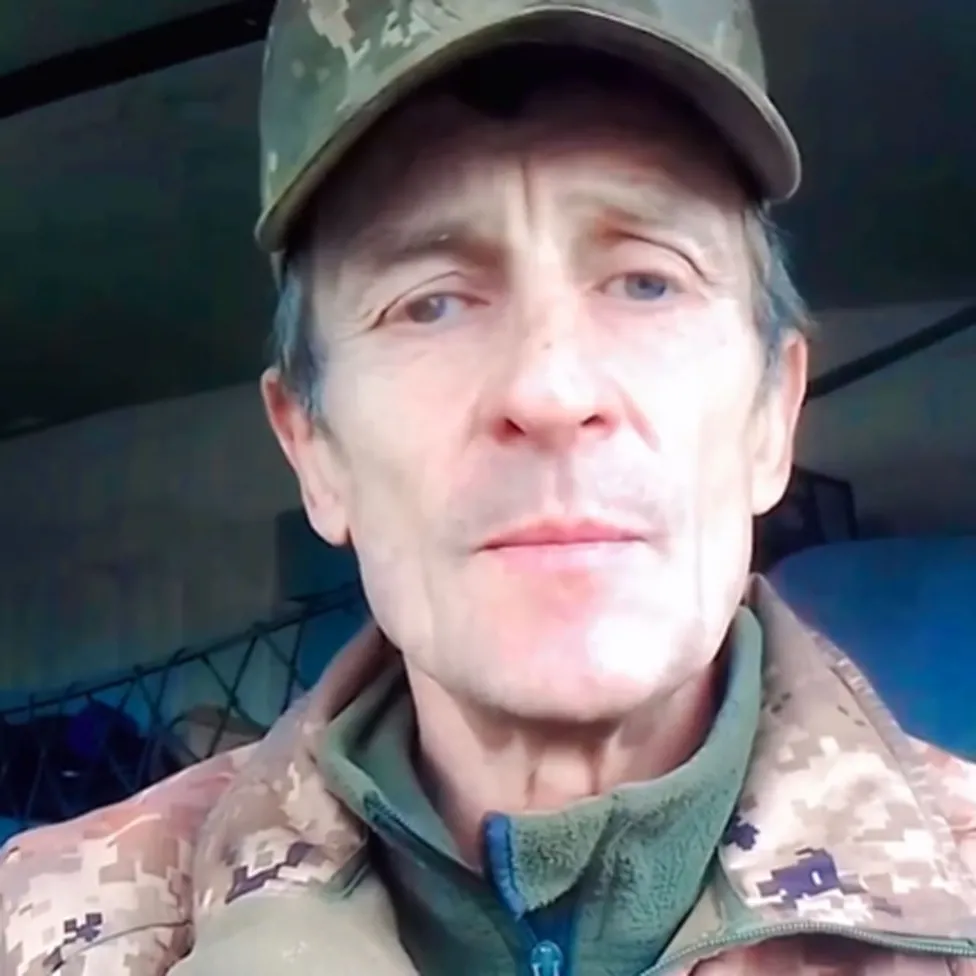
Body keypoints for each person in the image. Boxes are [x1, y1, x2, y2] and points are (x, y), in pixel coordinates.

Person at [3, 1, 976, 973]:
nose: (551, 391)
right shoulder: (40, 930)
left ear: (771, 417)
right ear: (315, 452)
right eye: (429, 303)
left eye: (648, 281)